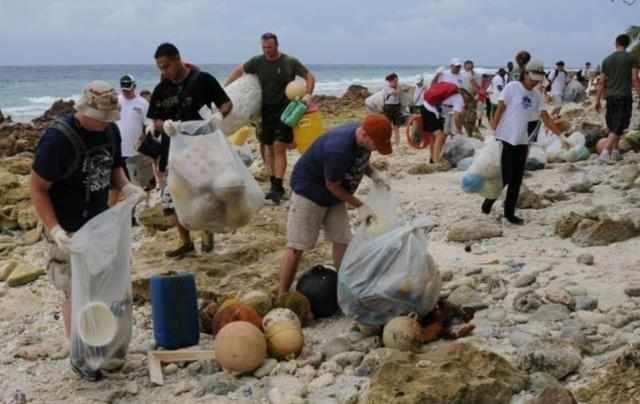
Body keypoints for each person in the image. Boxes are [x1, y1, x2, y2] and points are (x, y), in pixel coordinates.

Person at [30, 81, 146, 381]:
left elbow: (114, 168)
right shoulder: (58, 140)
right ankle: (81, 354)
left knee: (103, 286)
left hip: (98, 224)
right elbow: (38, 189)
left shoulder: (109, 130)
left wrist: (126, 186)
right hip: (67, 229)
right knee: (75, 290)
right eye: (101, 118)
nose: (106, 124)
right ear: (83, 110)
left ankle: (104, 348)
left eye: (110, 118)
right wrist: (54, 229)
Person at [278, 114, 393, 295]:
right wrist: (360, 206)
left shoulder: (363, 136)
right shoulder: (338, 149)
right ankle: (282, 293)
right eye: (376, 145)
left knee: (342, 240)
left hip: (336, 194)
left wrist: (375, 175)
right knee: (297, 246)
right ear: (364, 135)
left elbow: (362, 161)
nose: (376, 149)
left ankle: (343, 286)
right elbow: (332, 185)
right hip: (310, 192)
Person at [147, 43, 233, 258]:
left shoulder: (203, 80)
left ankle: (207, 232)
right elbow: (154, 118)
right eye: (159, 68)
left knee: (204, 193)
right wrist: (162, 125)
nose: (163, 71)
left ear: (177, 59)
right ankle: (185, 241)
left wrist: (219, 116)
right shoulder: (161, 88)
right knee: (174, 197)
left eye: (166, 66)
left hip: (201, 148)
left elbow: (226, 103)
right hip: (172, 151)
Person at [225, 32, 316, 205]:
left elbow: (310, 76)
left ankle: (278, 186)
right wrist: (224, 89)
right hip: (265, 111)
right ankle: (274, 184)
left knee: (278, 147)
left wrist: (308, 96)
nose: (267, 50)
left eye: (270, 47)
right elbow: (239, 70)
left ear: (277, 45)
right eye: (264, 47)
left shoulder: (289, 62)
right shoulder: (257, 62)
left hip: (286, 111)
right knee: (267, 148)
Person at [482, 60, 562, 225]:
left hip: (523, 141)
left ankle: (509, 214)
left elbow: (545, 117)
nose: (534, 82)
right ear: (525, 74)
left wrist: (561, 135)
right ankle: (489, 200)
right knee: (505, 176)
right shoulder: (512, 87)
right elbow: (500, 107)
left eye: (538, 79)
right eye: (532, 78)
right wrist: (494, 129)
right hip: (505, 138)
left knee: (517, 179)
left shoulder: (537, 95)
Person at [596, 34, 640, 163]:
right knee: (620, 124)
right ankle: (605, 152)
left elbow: (601, 82)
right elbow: (634, 79)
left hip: (610, 97)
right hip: (624, 95)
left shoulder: (607, 60)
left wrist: (597, 100)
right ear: (627, 44)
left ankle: (615, 152)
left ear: (616, 43)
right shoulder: (631, 58)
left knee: (613, 124)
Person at [116, 75, 153, 191]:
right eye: (124, 90)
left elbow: (148, 125)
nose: (126, 92)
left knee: (138, 183)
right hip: (118, 149)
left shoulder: (143, 103)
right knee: (119, 185)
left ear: (134, 86)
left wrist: (144, 139)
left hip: (136, 151)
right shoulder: (116, 101)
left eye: (129, 90)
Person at [420, 82, 464, 163]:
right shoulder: (459, 98)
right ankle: (436, 161)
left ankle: (432, 158)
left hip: (425, 106)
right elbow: (457, 117)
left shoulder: (450, 93)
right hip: (430, 110)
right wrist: (459, 130)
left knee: (435, 137)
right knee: (439, 136)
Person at [462, 60, 481, 136]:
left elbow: (479, 88)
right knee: (463, 119)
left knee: (471, 119)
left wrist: (472, 79)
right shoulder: (461, 75)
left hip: (472, 100)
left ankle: (470, 134)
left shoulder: (477, 76)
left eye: (471, 67)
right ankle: (470, 132)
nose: (470, 69)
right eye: (468, 68)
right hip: (462, 99)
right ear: (464, 67)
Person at [382, 73, 403, 145]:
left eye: (397, 81)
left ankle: (397, 142)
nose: (396, 82)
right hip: (388, 107)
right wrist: (398, 86)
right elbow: (396, 93)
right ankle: (386, 141)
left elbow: (399, 93)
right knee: (387, 126)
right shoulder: (387, 88)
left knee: (396, 126)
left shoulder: (397, 86)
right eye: (395, 81)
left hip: (396, 107)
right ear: (390, 81)